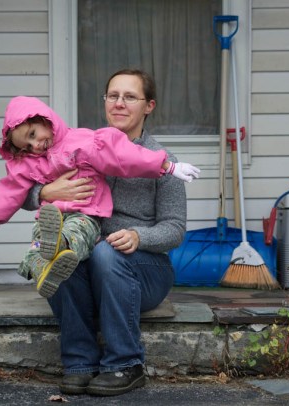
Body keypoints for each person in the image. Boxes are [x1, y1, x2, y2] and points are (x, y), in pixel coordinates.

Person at [21, 69, 188, 396]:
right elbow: (21, 189)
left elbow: (175, 229)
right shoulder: (80, 145)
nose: (119, 103)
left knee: (102, 252)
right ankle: (79, 363)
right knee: (62, 256)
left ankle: (125, 363)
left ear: (148, 106)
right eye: (113, 96)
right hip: (92, 261)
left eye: (130, 97)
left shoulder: (162, 161)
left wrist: (139, 237)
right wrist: (46, 192)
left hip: (144, 270)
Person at [0, 96, 200, 299]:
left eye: (34, 133)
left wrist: (166, 166)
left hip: (84, 215)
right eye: (28, 144)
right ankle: (44, 264)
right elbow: (11, 191)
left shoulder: (82, 142)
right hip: (51, 216)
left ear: (45, 118)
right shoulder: (30, 163)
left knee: (75, 234)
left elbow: (123, 156)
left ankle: (59, 245)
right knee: (37, 244)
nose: (35, 145)